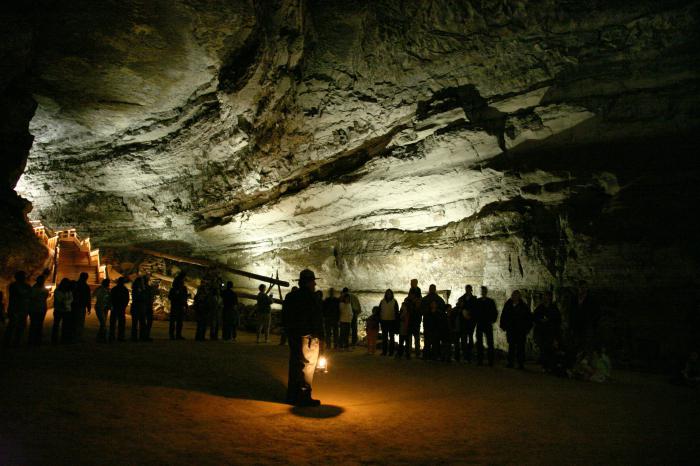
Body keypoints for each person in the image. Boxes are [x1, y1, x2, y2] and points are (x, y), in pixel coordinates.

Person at [282, 269, 324, 407]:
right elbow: (317, 319)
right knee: (307, 367)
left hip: (294, 336)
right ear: (309, 282)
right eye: (313, 282)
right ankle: (304, 396)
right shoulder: (313, 298)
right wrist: (320, 338)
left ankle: (292, 395)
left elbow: (285, 318)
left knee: (295, 365)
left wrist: (289, 333)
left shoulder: (290, 297)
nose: (315, 285)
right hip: (308, 337)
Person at [500, 290, 532, 369]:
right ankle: (511, 363)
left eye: (516, 295)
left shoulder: (524, 306)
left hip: (520, 330)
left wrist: (527, 328)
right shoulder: (508, 305)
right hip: (511, 329)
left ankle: (520, 364)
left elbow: (528, 318)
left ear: (519, 297)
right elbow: (504, 315)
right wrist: (503, 325)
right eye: (513, 295)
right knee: (511, 347)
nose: (514, 297)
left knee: (520, 348)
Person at [533, 290, 562, 369]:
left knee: (549, 348)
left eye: (548, 296)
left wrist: (549, 320)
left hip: (550, 331)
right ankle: (544, 364)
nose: (546, 298)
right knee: (543, 348)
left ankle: (549, 365)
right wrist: (540, 320)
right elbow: (534, 317)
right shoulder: (540, 307)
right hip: (541, 331)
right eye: (545, 296)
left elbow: (558, 320)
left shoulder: (554, 308)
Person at [569, 281, 601, 352]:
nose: (582, 289)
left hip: (587, 325)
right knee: (577, 344)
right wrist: (571, 325)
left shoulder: (591, 299)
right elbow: (571, 312)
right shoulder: (574, 299)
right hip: (576, 325)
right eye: (580, 287)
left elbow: (596, 312)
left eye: (583, 287)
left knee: (586, 344)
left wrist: (592, 323)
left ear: (586, 288)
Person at [2, 271, 32, 347]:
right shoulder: (13, 286)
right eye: (23, 277)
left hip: (23, 308)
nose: (24, 278)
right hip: (14, 308)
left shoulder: (26, 286)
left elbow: (29, 295)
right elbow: (21, 293)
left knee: (21, 326)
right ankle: (7, 342)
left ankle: (16, 341)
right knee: (12, 325)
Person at [475, 286, 498, 366]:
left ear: (486, 292)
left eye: (484, 291)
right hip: (480, 324)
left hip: (487, 324)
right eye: (482, 291)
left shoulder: (490, 301)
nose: (483, 292)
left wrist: (492, 320)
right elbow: (475, 312)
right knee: (479, 343)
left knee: (490, 343)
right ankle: (480, 360)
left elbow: (494, 312)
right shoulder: (478, 301)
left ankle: (490, 361)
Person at [456, 285, 478, 362]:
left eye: (469, 289)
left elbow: (476, 310)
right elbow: (458, 308)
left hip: (471, 322)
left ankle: (469, 355)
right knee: (464, 339)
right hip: (463, 322)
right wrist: (462, 310)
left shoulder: (474, 299)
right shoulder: (462, 298)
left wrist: (470, 315)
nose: (468, 290)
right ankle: (465, 355)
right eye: (467, 289)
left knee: (470, 338)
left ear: (471, 290)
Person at [28, 274, 49, 346]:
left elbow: (44, 297)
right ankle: (32, 340)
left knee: (39, 324)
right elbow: (33, 297)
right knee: (34, 324)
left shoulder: (40, 289)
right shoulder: (34, 289)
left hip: (41, 308)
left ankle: (37, 340)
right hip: (35, 309)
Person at [52, 278, 73, 344]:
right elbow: (60, 300)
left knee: (65, 325)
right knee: (56, 325)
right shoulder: (57, 291)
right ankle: (54, 339)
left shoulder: (68, 291)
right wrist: (67, 302)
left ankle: (63, 339)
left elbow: (71, 299)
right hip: (59, 310)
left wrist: (66, 303)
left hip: (66, 310)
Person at [72, 272, 91, 342]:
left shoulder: (75, 284)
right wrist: (88, 307)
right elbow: (88, 297)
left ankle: (74, 336)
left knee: (74, 321)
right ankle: (78, 336)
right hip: (81, 305)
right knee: (80, 321)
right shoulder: (86, 286)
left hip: (74, 305)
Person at [168, 273, 188, 340]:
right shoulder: (174, 289)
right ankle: (173, 335)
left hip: (179, 306)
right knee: (174, 322)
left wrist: (185, 304)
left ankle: (177, 335)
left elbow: (184, 297)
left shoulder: (183, 288)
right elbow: (170, 297)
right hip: (175, 306)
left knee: (179, 322)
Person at [379, 289, 399, 356]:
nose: (388, 295)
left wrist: (396, 322)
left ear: (391, 294)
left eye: (389, 293)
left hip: (391, 321)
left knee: (391, 337)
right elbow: (380, 311)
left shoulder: (394, 302)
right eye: (387, 293)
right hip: (384, 321)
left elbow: (396, 312)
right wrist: (380, 320)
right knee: (384, 337)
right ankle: (384, 351)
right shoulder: (382, 301)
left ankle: (391, 352)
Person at [109, 277, 129, 342]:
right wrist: (124, 306)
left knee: (113, 323)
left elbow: (111, 298)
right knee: (121, 323)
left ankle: (112, 336)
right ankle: (120, 337)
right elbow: (127, 299)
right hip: (120, 308)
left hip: (115, 307)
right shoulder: (124, 290)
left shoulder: (114, 289)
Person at [130, 275, 147, 342]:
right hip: (138, 308)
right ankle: (135, 337)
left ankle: (140, 337)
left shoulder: (139, 289)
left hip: (140, 308)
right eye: (142, 281)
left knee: (141, 323)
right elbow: (140, 298)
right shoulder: (137, 290)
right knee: (136, 323)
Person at [407, 288, 422, 357]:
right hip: (411, 322)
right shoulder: (408, 302)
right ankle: (409, 352)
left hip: (415, 322)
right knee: (410, 339)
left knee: (416, 338)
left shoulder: (417, 302)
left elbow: (419, 312)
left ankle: (417, 352)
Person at [141, 276, 155, 341]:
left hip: (146, 307)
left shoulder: (144, 289)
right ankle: (145, 336)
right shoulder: (146, 289)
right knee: (146, 322)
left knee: (146, 322)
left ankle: (145, 335)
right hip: (146, 307)